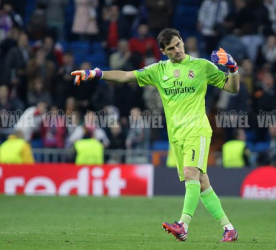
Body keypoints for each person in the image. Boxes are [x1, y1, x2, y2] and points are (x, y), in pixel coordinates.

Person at [71, 28, 239, 242]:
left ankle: (183, 225)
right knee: (202, 183)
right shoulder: (158, 70)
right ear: (163, 51)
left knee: (191, 174)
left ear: (182, 42)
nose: (177, 50)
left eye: (178, 44)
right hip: (176, 135)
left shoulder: (202, 66)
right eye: (171, 48)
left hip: (197, 130)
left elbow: (232, 88)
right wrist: (96, 73)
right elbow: (125, 76)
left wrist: (233, 68)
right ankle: (229, 228)